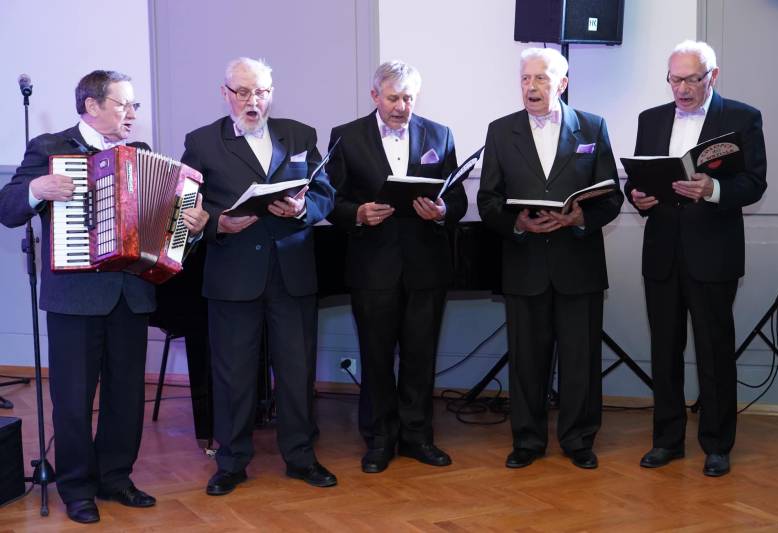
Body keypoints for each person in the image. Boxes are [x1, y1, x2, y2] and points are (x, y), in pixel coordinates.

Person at [0, 70, 207, 524]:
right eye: (123, 104)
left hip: (132, 295)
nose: (132, 114)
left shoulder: (142, 153)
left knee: (126, 396)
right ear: (91, 105)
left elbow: (166, 234)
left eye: (135, 105)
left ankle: (116, 478)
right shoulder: (51, 148)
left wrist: (190, 227)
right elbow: (7, 208)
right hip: (74, 298)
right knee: (73, 399)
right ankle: (76, 488)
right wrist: (36, 190)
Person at [181, 57, 337, 493]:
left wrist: (304, 207)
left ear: (272, 93)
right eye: (244, 92)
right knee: (233, 373)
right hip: (232, 272)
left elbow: (325, 191)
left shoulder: (300, 134)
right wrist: (219, 223)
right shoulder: (202, 141)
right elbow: (186, 204)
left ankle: (301, 457)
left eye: (262, 92)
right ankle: (231, 462)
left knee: (297, 370)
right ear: (225, 93)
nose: (253, 101)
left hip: (292, 271)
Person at [625, 40, 767, 477]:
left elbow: (755, 183)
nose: (682, 89)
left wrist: (714, 189)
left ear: (713, 76)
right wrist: (637, 197)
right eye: (674, 79)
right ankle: (666, 441)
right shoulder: (650, 119)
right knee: (664, 350)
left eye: (691, 79)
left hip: (714, 253)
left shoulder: (742, 117)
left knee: (714, 350)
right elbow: (640, 178)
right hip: (662, 252)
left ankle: (717, 445)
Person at [477, 48, 622, 470]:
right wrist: (517, 222)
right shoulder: (500, 130)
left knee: (580, 360)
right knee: (526, 361)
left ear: (562, 83)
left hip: (578, 262)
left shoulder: (592, 126)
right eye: (525, 78)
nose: (531, 86)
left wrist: (581, 217)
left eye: (541, 78)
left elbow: (611, 197)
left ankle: (579, 439)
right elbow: (487, 201)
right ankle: (527, 440)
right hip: (524, 264)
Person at [326, 60, 467, 473]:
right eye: (392, 98)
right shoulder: (346, 136)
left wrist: (442, 211)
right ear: (375, 96)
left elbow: (457, 198)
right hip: (372, 267)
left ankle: (418, 437)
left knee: (421, 356)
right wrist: (357, 213)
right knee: (375, 357)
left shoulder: (440, 134)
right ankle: (379, 439)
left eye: (408, 98)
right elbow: (329, 199)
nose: (401, 107)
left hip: (426, 267)